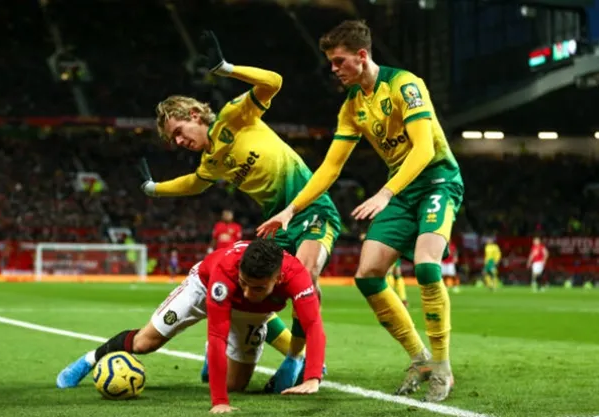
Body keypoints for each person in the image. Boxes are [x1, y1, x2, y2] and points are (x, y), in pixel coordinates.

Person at [258, 20, 463, 401]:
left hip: (437, 180)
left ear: (362, 55)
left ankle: (442, 366)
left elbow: (422, 149)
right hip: (402, 191)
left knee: (426, 266)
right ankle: (419, 358)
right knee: (368, 274)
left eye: (339, 62)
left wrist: (385, 193)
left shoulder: (406, 85)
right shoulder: (353, 105)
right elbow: (331, 167)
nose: (333, 70)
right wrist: (291, 209)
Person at [138, 31, 340, 389]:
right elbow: (194, 183)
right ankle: (242, 349)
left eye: (181, 132)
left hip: (310, 206)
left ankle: (297, 362)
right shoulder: (212, 159)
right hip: (275, 223)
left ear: (197, 114)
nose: (181, 142)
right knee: (255, 287)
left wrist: (226, 68)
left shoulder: (235, 116)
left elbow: (273, 83)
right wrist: (155, 189)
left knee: (306, 278)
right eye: (175, 141)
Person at [56, 239, 326, 414]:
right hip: (203, 288)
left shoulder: (297, 277)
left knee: (236, 386)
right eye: (244, 282)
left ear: (277, 278)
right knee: (144, 343)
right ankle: (90, 359)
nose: (245, 292)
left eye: (256, 287)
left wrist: (312, 376)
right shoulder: (227, 272)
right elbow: (217, 334)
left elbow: (313, 324)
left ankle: (241, 342)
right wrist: (219, 402)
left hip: (254, 315)